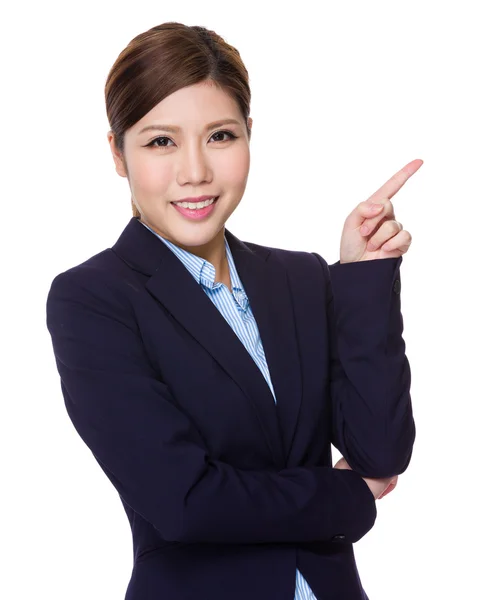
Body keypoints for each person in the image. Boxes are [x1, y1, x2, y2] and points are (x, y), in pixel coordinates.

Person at [45, 21, 418, 600]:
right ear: (118, 154)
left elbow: (382, 453)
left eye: (219, 136)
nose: (194, 171)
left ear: (249, 133)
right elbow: (185, 503)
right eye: (160, 141)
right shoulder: (94, 299)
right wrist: (344, 496)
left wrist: (362, 277)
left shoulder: (300, 278)